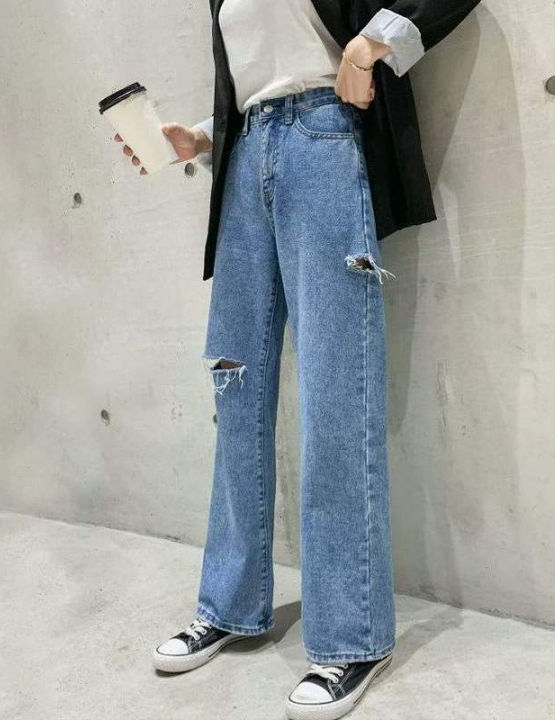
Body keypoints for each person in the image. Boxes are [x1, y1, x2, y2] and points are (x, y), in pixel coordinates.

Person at [115, 2, 480, 718]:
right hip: (247, 155)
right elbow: (264, 77)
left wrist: (370, 44)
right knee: (236, 388)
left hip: (326, 139)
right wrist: (201, 136)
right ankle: (230, 604)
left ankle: (352, 637)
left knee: (336, 392)